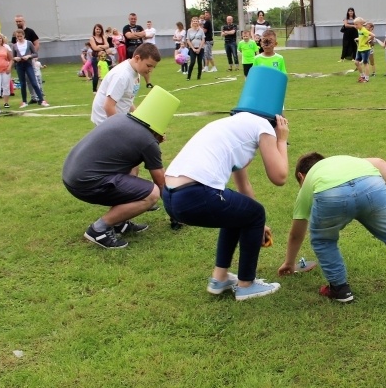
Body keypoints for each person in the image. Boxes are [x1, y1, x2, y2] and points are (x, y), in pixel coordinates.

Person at [278, 152, 386, 302]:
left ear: (301, 176)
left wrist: (289, 262)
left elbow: (296, 234)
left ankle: (340, 290)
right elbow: (381, 163)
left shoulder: (308, 182)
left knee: (324, 241)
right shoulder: (343, 161)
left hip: (331, 195)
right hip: (372, 186)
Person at [162, 111, 290, 301]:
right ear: (276, 120)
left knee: (240, 212)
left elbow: (242, 185)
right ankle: (247, 285)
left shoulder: (234, 125)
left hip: (171, 196)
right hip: (196, 193)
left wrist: (258, 226)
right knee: (256, 213)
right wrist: (281, 140)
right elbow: (279, 177)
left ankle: (219, 278)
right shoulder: (263, 126)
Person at [63, 87, 180, 249]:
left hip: (72, 174)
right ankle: (99, 229)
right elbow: (161, 183)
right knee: (151, 194)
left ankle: (119, 222)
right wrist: (175, 214)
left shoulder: (121, 118)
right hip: (86, 183)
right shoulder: (147, 140)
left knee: (133, 168)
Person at [91, 43, 160, 126]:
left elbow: (127, 99)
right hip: (105, 122)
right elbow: (108, 106)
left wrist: (140, 119)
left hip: (118, 118)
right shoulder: (122, 75)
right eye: (149, 66)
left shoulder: (135, 71)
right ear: (137, 58)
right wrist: (121, 128)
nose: (150, 70)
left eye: (153, 67)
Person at [11, 29, 48, 108]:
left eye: (21, 36)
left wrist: (29, 56)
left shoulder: (29, 43)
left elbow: (35, 54)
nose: (19, 38)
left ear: (24, 36)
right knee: (22, 83)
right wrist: (16, 58)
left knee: (34, 82)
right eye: (18, 36)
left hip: (28, 64)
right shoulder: (14, 45)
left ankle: (41, 100)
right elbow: (12, 57)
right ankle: (24, 101)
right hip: (19, 65)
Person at [123, 13, 152, 87]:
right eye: (132, 19)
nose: (133, 20)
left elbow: (144, 34)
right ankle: (132, 84)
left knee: (145, 65)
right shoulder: (126, 27)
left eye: (134, 19)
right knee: (132, 68)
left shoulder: (139, 27)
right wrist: (138, 35)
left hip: (140, 49)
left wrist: (134, 35)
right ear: (129, 19)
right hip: (130, 50)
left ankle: (148, 83)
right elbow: (129, 36)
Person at [88, 24, 111, 93]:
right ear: (94, 30)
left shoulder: (103, 37)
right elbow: (95, 48)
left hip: (104, 58)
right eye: (97, 29)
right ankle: (94, 90)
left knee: (107, 72)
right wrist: (103, 47)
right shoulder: (92, 38)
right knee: (96, 74)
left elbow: (107, 46)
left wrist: (100, 46)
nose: (98, 30)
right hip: (96, 58)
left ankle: (105, 88)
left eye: (99, 29)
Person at [353, 17, 374, 83]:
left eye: (356, 24)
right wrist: (358, 39)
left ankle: (367, 78)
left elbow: (373, 35)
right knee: (356, 62)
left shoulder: (364, 30)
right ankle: (362, 75)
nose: (355, 26)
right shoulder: (359, 30)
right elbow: (362, 37)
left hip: (365, 49)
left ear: (361, 24)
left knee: (365, 63)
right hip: (359, 49)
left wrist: (366, 41)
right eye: (354, 24)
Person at [185, 16, 205, 80]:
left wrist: (199, 48)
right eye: (194, 21)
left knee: (199, 62)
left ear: (198, 22)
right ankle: (188, 76)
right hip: (192, 48)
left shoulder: (201, 30)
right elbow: (188, 40)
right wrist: (193, 48)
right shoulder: (189, 30)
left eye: (196, 21)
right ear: (192, 22)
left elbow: (203, 39)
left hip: (200, 48)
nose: (195, 22)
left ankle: (199, 76)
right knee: (192, 62)